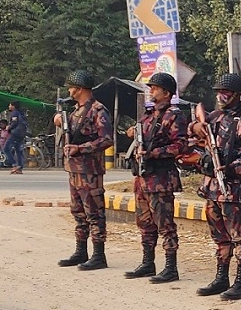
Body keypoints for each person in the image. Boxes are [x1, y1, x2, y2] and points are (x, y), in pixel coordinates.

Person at [191, 73, 241, 301]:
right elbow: (193, 142)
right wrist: (196, 129)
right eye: (218, 92)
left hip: (235, 187)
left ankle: (240, 282)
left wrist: (230, 167)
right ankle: (221, 277)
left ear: (237, 95)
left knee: (239, 235)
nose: (221, 96)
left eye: (226, 93)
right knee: (219, 235)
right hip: (212, 186)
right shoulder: (212, 118)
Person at [124, 72, 188, 283]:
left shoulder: (174, 116)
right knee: (145, 222)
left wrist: (154, 153)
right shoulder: (149, 115)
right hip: (143, 176)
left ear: (166, 93)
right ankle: (147, 262)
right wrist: (133, 132)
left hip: (160, 177)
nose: (151, 91)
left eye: (155, 88)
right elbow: (138, 134)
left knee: (165, 223)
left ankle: (171, 267)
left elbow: (180, 146)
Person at [54, 70, 114, 270]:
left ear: (79, 89)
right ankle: (81, 251)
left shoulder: (98, 110)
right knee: (78, 212)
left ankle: (99, 255)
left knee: (94, 212)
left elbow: (106, 140)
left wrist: (80, 148)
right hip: (75, 170)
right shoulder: (76, 111)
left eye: (71, 87)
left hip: (90, 171)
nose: (69, 91)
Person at [7, 102, 29, 174]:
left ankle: (14, 165)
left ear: (14, 106)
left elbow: (14, 123)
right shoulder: (21, 113)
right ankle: (19, 168)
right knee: (18, 150)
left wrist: (9, 128)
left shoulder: (15, 113)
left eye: (10, 105)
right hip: (21, 134)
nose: (9, 106)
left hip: (15, 133)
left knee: (6, 148)